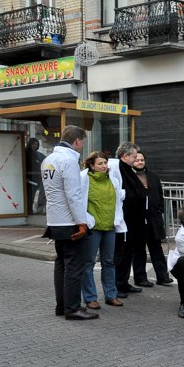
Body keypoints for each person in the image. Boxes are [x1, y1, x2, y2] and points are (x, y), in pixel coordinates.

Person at [41, 125, 97, 321]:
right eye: (82, 142)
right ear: (77, 141)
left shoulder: (48, 160)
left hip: (55, 220)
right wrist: (82, 222)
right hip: (69, 220)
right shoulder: (69, 161)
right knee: (74, 266)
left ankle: (62, 306)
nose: (82, 146)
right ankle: (73, 308)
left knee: (61, 264)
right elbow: (73, 195)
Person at [79, 151, 125, 310]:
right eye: (100, 163)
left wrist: (117, 220)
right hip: (93, 227)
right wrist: (87, 220)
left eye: (105, 163)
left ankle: (111, 295)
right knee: (88, 262)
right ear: (92, 165)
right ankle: (90, 297)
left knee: (109, 262)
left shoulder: (112, 180)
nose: (104, 166)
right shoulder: (84, 179)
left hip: (110, 226)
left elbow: (118, 202)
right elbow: (79, 202)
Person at [131, 151, 173, 286]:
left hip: (154, 219)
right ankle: (140, 278)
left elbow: (160, 194)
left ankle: (163, 277)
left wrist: (159, 210)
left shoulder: (153, 176)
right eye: (137, 160)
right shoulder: (129, 177)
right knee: (139, 250)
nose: (140, 162)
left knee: (156, 248)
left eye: (142, 160)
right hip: (137, 219)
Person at [111, 142, 147, 296]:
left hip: (133, 221)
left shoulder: (128, 170)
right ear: (125, 156)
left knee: (128, 252)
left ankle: (123, 282)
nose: (136, 159)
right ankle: (116, 285)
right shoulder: (117, 169)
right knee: (120, 253)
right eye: (133, 157)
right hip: (124, 220)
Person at [25, 137, 46, 214]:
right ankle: (28, 210)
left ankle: (31, 210)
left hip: (36, 178)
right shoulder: (25, 153)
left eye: (36, 144)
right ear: (30, 144)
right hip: (28, 178)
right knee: (29, 196)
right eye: (33, 144)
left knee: (34, 195)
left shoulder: (38, 154)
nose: (35, 146)